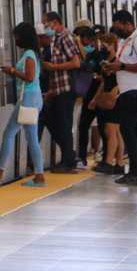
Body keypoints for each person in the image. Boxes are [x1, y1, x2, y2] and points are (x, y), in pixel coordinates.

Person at [0, 23, 46, 187]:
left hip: (28, 99)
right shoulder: (33, 53)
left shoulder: (28, 54)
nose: (15, 40)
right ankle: (39, 176)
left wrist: (12, 70)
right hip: (33, 99)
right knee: (32, 138)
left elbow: (30, 77)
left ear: (24, 37)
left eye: (17, 37)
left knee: (9, 133)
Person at [103, 10, 137, 186]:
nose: (116, 31)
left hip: (136, 92)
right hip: (129, 92)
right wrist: (115, 67)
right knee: (132, 133)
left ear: (126, 23)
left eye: (118, 27)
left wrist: (122, 65)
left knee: (128, 131)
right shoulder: (129, 40)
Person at [41, 11, 81, 173]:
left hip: (66, 89)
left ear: (55, 22)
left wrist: (54, 67)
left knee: (64, 125)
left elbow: (76, 62)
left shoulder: (65, 37)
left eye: (46, 24)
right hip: (57, 89)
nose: (45, 27)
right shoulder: (55, 39)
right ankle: (68, 156)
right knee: (56, 122)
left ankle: (68, 161)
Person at [91, 33, 125, 175]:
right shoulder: (107, 62)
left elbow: (119, 81)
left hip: (114, 100)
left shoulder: (116, 61)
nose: (102, 46)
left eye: (105, 44)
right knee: (116, 132)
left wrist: (114, 94)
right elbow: (104, 82)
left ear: (112, 45)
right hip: (110, 99)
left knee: (111, 131)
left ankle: (108, 162)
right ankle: (119, 163)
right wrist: (95, 98)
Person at [74, 25, 105, 167]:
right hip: (87, 96)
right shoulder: (81, 55)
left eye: (85, 41)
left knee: (104, 127)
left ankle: (106, 157)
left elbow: (104, 77)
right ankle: (82, 157)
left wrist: (96, 76)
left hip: (99, 97)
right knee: (83, 126)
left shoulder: (100, 56)